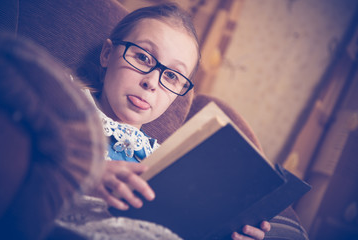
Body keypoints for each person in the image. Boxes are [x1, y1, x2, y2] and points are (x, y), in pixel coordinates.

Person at [67, 3, 271, 240]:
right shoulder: (64, 102)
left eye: (172, 76)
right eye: (143, 57)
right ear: (107, 54)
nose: (152, 82)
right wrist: (83, 173)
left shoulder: (168, 161)